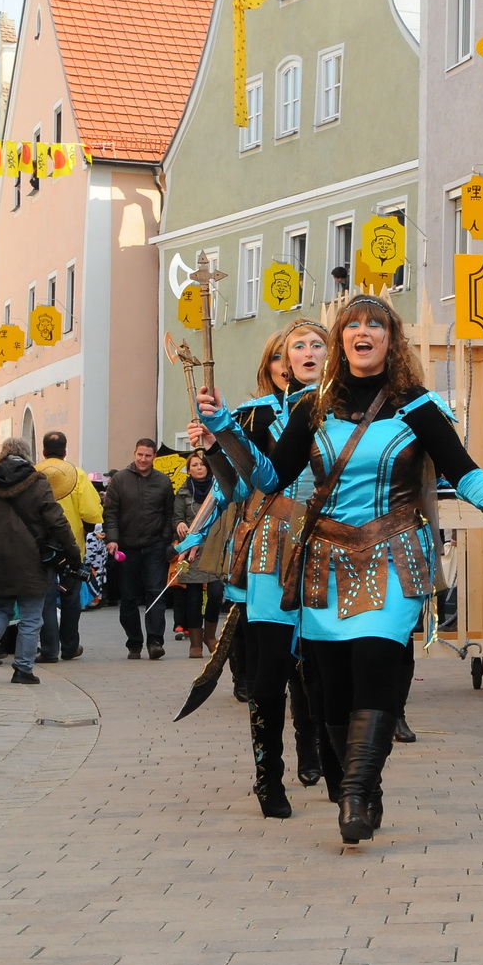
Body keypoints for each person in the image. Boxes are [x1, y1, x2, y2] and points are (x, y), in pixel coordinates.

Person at [198, 296, 483, 847]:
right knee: (332, 684)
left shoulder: (418, 407)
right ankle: (362, 788)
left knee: (376, 657)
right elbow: (269, 478)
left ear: (390, 339)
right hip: (325, 561)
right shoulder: (312, 405)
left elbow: (466, 473)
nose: (362, 333)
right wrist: (225, 432)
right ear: (342, 340)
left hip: (393, 555)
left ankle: (355, 791)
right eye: (352, 325)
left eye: (374, 325)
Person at [187, 320, 332, 818]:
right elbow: (235, 485)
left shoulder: (348, 410)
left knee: (320, 669)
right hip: (270, 547)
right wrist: (215, 445)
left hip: (331, 546)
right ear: (276, 364)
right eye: (292, 349)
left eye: (318, 345)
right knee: (270, 670)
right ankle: (268, 775)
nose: (305, 354)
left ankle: (324, 760)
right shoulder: (247, 415)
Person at [0, 437, 80, 685]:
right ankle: (23, 669)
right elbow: (56, 520)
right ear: (28, 456)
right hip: (31, 560)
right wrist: (73, 552)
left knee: (1, 609)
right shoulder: (38, 483)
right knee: (30, 616)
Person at [103, 438, 176, 659]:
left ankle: (155, 641)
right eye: (140, 455)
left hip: (154, 546)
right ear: (134, 453)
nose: (143, 459)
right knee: (128, 598)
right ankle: (134, 642)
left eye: (148, 455)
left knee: (156, 593)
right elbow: (110, 513)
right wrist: (112, 539)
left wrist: (164, 539)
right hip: (126, 547)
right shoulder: (120, 480)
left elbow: (169, 514)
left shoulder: (163, 482)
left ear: (154, 457)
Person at [35, 431, 101, 662]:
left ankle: (48, 648)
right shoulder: (77, 475)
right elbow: (92, 512)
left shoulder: (34, 474)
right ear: (65, 451)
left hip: (40, 548)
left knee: (45, 600)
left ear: (43, 451)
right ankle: (70, 646)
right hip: (70, 547)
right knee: (70, 598)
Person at [172, 451, 225, 660]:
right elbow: (176, 517)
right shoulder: (183, 492)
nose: (199, 468)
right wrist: (180, 524)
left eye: (202, 464)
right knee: (193, 598)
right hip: (192, 550)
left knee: (215, 592)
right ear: (189, 469)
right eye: (194, 465)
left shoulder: (219, 489)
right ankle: (195, 642)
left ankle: (209, 635)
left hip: (214, 547)